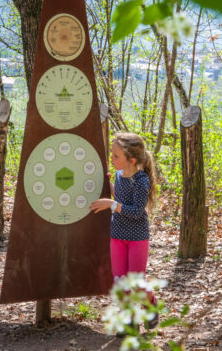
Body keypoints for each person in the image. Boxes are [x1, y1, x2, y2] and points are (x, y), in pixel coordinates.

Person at [89, 132, 158, 330]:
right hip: (117, 235)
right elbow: (120, 197)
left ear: (132, 159)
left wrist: (111, 204)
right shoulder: (119, 175)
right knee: (120, 282)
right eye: (112, 154)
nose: (112, 158)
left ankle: (150, 304)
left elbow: (136, 211)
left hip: (137, 238)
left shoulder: (141, 181)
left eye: (116, 155)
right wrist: (109, 185)